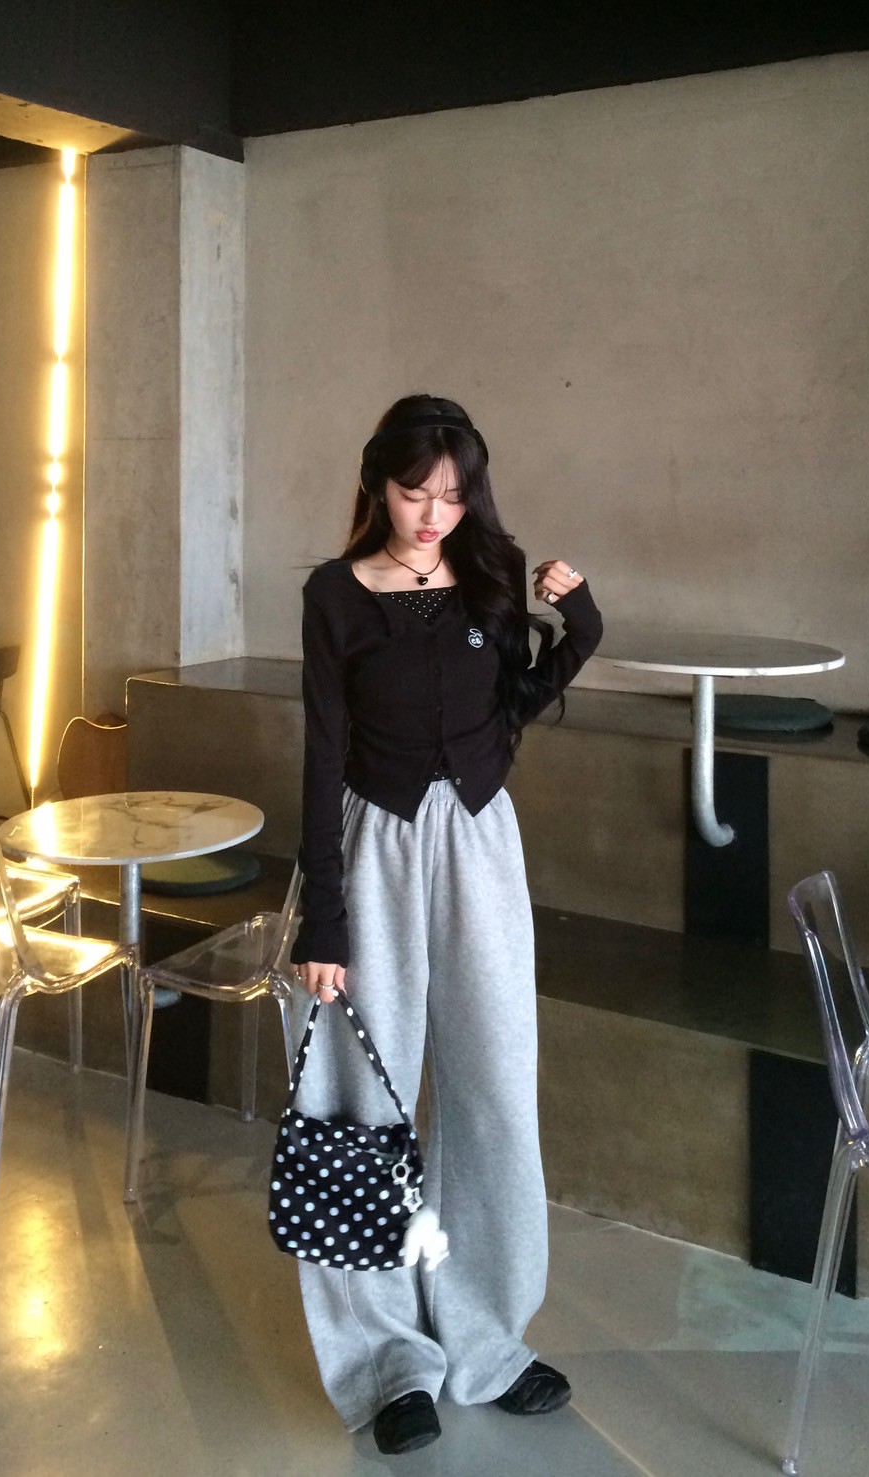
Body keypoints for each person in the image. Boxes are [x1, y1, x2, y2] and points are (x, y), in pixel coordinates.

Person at [288, 393, 603, 1454]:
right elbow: (321, 753)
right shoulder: (334, 595)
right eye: (415, 493)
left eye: (453, 496)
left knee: (496, 1087)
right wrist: (322, 919)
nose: (433, 515)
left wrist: (583, 627)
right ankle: (384, 1360)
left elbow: (507, 707)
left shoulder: (486, 574)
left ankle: (485, 1338)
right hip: (370, 847)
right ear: (377, 484)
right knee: (359, 1106)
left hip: (478, 846)